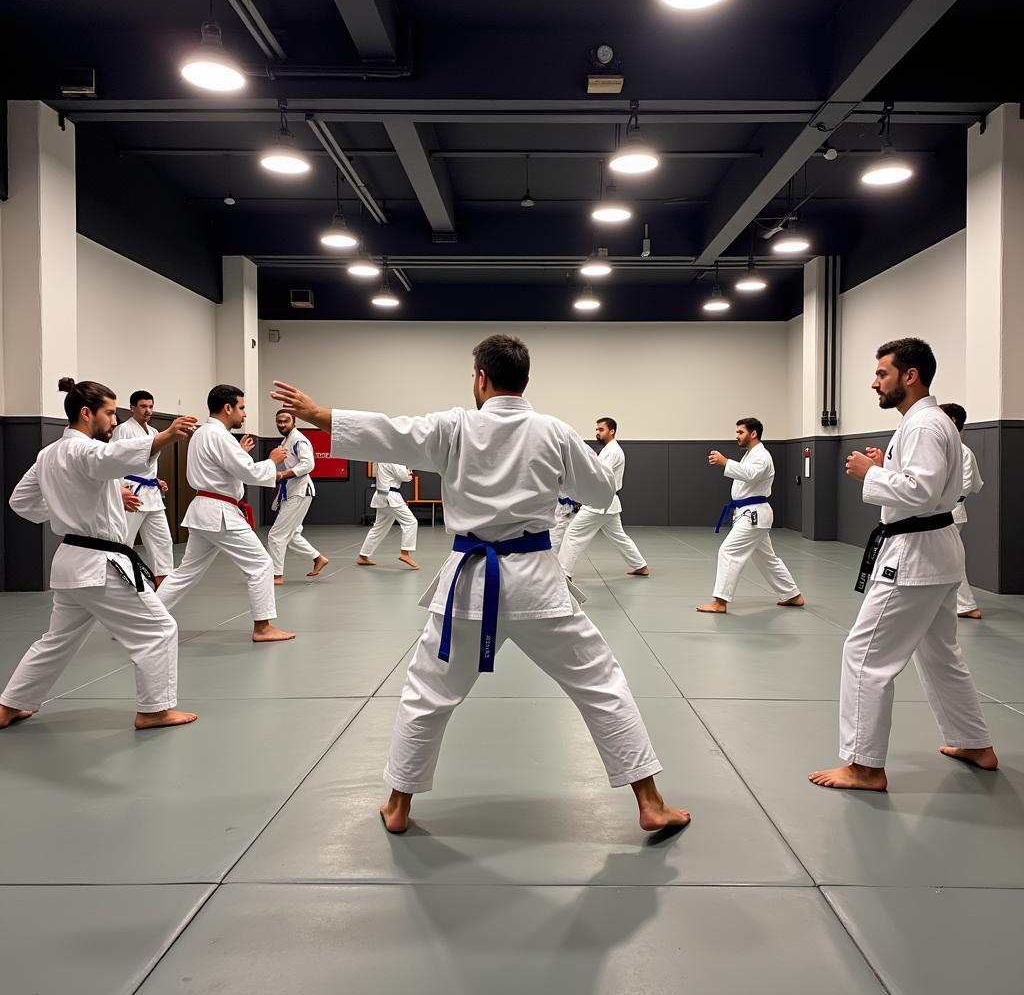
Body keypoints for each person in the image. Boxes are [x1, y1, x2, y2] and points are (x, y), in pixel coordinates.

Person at [271, 334, 689, 835]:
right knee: (601, 684)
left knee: (427, 693)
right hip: (537, 582)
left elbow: (390, 434)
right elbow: (601, 489)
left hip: (468, 582)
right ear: (525, 380)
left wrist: (320, 415)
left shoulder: (455, 427)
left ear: (481, 377)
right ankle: (650, 801)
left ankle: (399, 805)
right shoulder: (553, 431)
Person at [810, 338, 997, 790]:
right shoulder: (927, 423)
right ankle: (973, 742)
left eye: (882, 374)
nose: (874, 383)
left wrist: (869, 474)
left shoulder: (924, 425)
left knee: (865, 655)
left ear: (909, 376)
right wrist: (884, 467)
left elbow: (922, 492)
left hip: (914, 556)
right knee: (939, 654)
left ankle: (864, 765)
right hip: (936, 551)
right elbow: (923, 485)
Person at [0, 378, 198, 731]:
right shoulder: (84, 450)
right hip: (98, 564)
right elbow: (110, 458)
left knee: (57, 641)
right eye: (109, 413)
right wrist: (165, 437)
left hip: (69, 562)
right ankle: (154, 710)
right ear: (86, 413)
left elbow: (22, 501)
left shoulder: (48, 454)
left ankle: (10, 704)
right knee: (159, 630)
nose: (114, 421)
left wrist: (74, 506)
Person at [157, 385, 296, 644]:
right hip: (219, 512)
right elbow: (250, 473)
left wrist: (240, 454)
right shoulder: (219, 436)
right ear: (228, 407)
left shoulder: (202, 434)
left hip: (204, 509)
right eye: (241, 408)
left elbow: (221, 468)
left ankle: (145, 619)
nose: (244, 414)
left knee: (185, 572)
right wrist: (273, 460)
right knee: (261, 564)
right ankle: (263, 627)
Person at [697, 418, 804, 614]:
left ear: (753, 433)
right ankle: (792, 595)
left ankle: (720, 602)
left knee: (728, 551)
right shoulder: (750, 455)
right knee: (766, 559)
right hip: (749, 514)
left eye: (740, 432)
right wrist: (728, 463)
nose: (737, 436)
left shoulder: (762, 456)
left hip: (753, 514)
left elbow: (751, 474)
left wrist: (726, 462)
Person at [557, 417, 650, 578]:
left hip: (600, 503)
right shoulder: (609, 450)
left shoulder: (613, 451)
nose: (597, 433)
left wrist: (582, 495)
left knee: (573, 533)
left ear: (612, 431)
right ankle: (640, 565)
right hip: (608, 503)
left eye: (601, 430)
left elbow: (598, 476)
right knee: (619, 536)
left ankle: (563, 572)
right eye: (597, 430)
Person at [111, 390, 175, 587]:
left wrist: (156, 480)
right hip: (132, 491)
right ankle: (117, 577)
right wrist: (120, 489)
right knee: (124, 538)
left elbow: (148, 465)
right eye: (143, 406)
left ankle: (163, 579)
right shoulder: (123, 429)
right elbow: (114, 460)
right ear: (132, 408)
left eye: (150, 406)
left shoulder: (154, 432)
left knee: (163, 539)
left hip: (152, 494)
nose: (148, 410)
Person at [267, 408, 328, 585]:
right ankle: (318, 558)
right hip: (291, 491)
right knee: (291, 535)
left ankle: (276, 575)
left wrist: (284, 475)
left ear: (294, 422)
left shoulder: (299, 440)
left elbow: (308, 464)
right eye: (279, 421)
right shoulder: (286, 440)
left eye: (286, 420)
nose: (282, 424)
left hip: (300, 491)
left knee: (276, 535)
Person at [939, 402, 984, 619]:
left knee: (951, 559)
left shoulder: (963, 452)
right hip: (941, 512)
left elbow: (968, 485)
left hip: (951, 513)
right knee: (947, 559)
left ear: (953, 420)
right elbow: (977, 484)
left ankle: (966, 604)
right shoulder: (946, 448)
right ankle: (957, 603)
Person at [356, 462, 420, 570]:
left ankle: (363, 556)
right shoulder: (394, 458)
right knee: (411, 522)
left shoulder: (380, 459)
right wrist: (410, 471)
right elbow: (405, 477)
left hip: (381, 495)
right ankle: (405, 553)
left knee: (379, 528)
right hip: (391, 496)